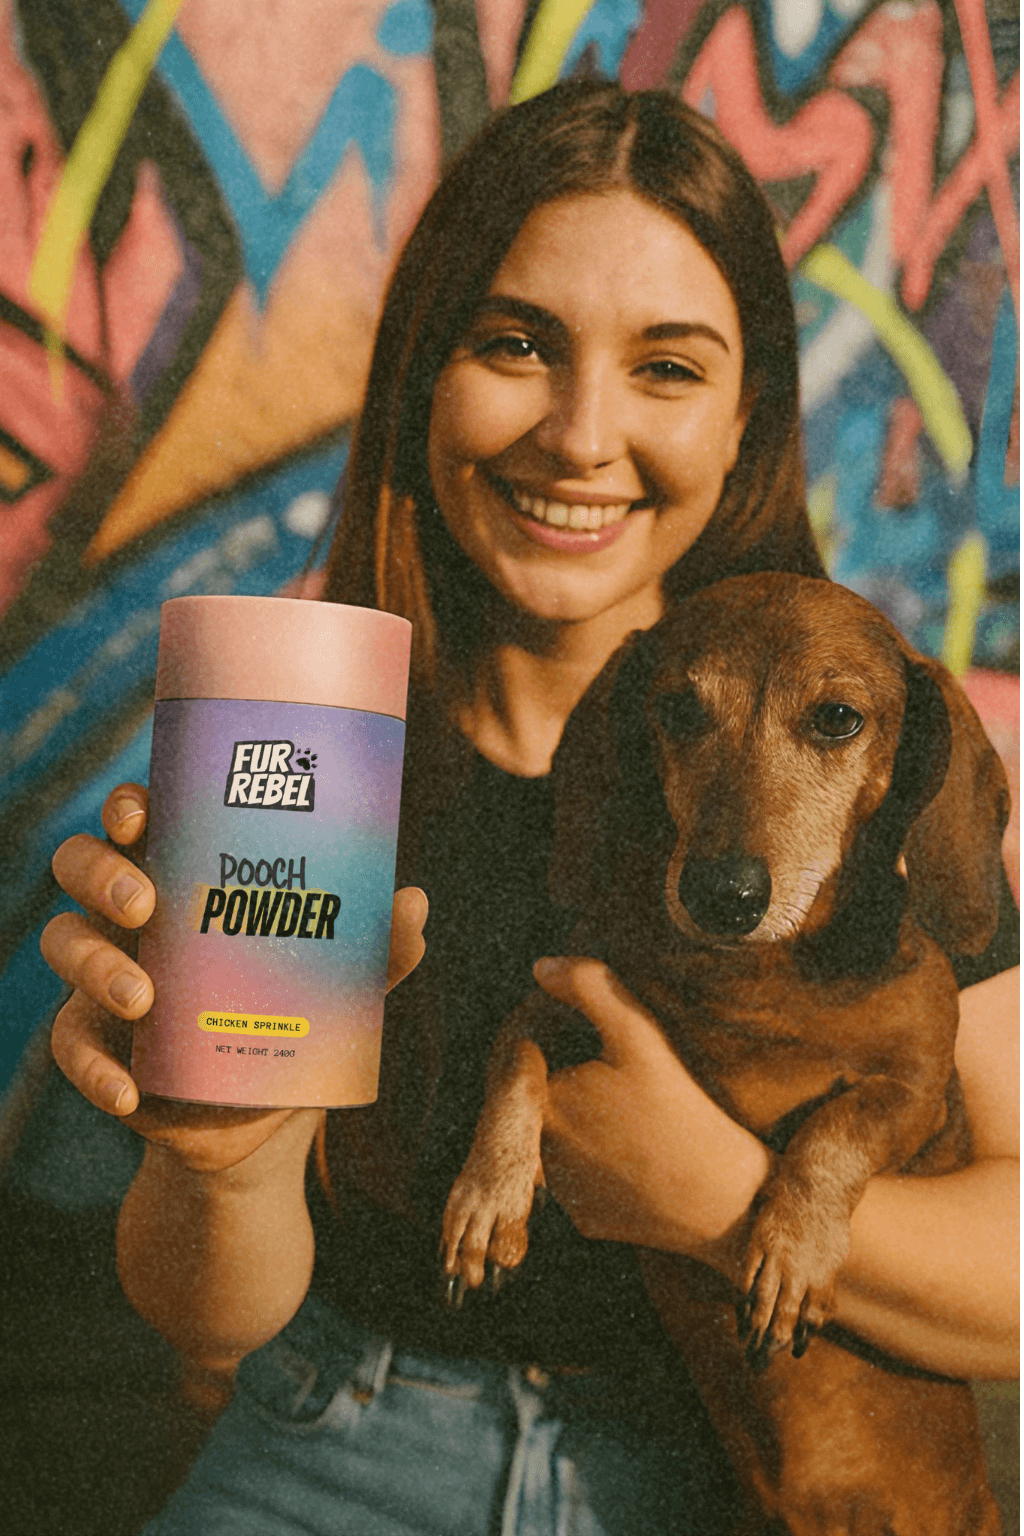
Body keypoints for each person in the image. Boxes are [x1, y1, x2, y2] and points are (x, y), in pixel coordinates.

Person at [39, 83, 1018, 1534]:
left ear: (748, 417)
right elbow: (212, 1331)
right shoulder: (300, 763)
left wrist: (713, 1193)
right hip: (330, 1443)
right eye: (515, 345)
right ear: (423, 375)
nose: (579, 433)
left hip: (712, 1475)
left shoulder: (868, 772)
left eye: (668, 368)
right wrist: (218, 1161)